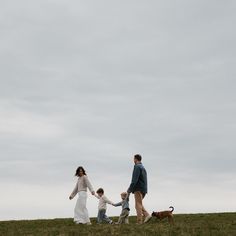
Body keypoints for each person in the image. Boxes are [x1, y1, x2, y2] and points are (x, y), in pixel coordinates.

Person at [127, 154, 151, 224]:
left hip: (138, 188)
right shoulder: (143, 167)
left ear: (136, 159)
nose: (133, 160)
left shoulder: (137, 167)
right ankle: (147, 215)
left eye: (134, 159)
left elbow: (134, 180)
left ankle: (139, 221)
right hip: (144, 189)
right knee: (139, 204)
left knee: (138, 205)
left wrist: (129, 189)